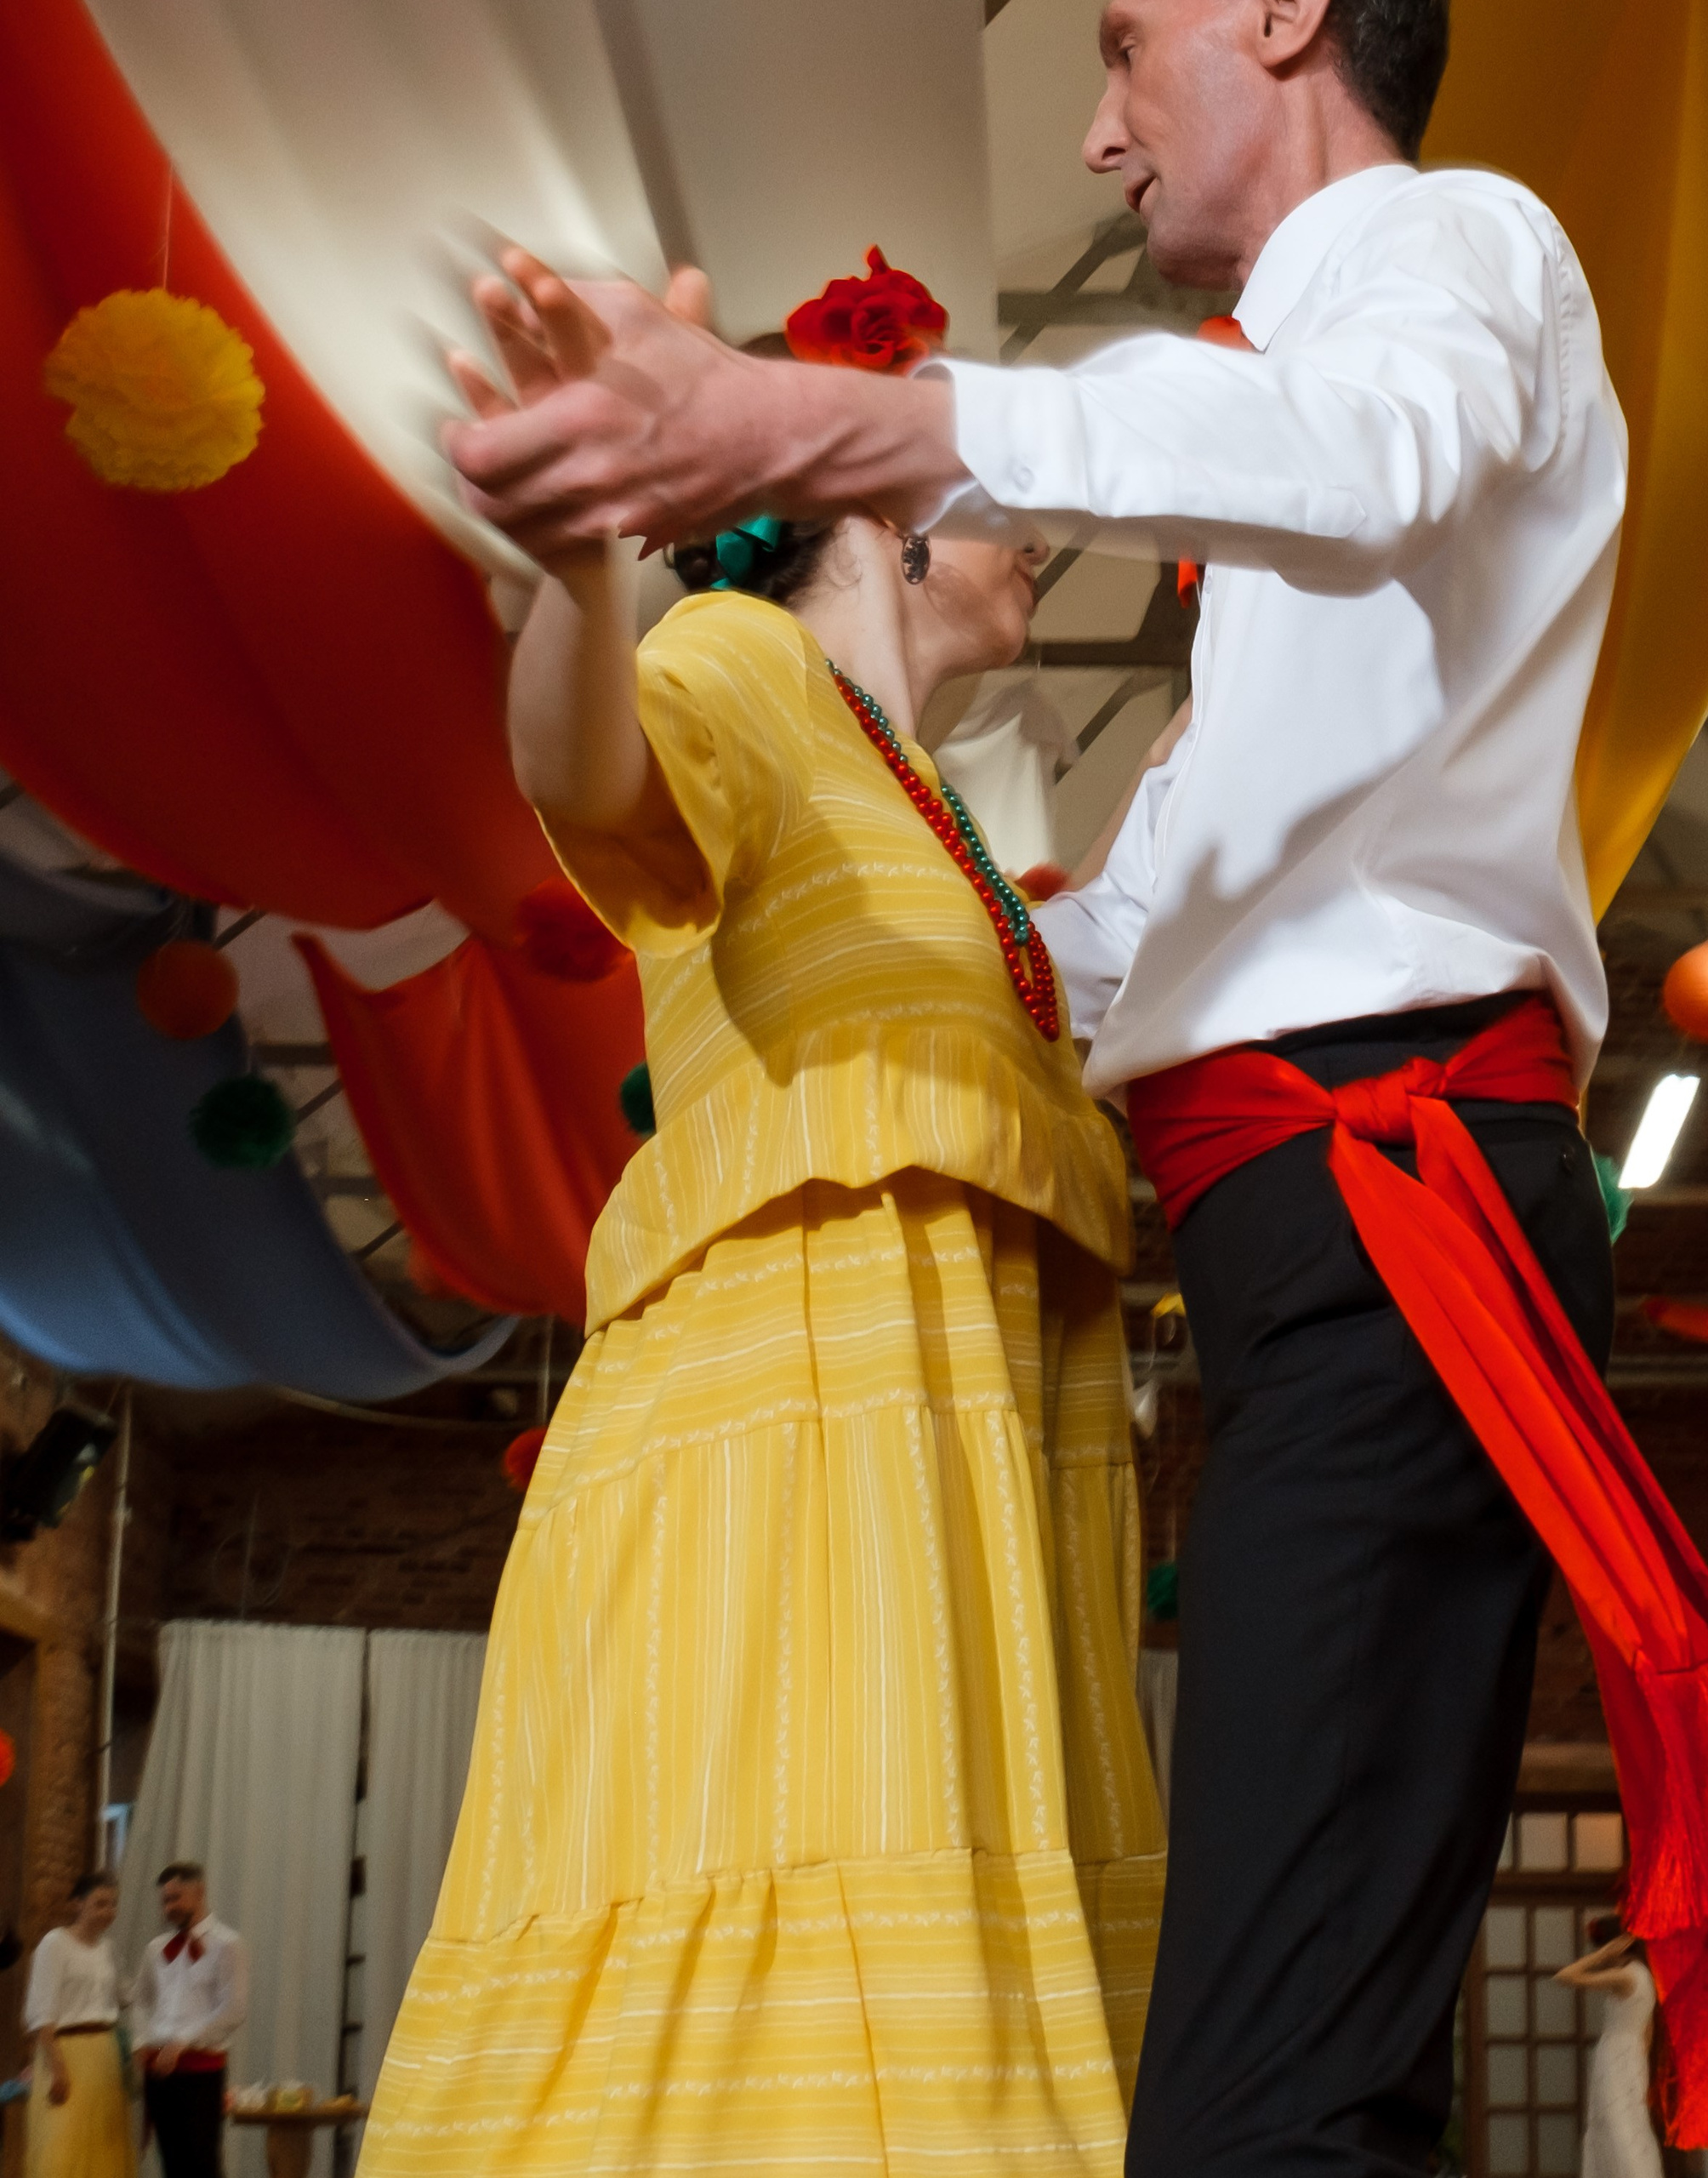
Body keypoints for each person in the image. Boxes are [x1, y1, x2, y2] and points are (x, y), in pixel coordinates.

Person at [436, 1, 1708, 2167]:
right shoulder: (1216, 576)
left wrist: (819, 418)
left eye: (1115, 44)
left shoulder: (1435, 250)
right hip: (1308, 1231)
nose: (1093, 133)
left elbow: (1354, 458)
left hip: (1384, 1182)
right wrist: (622, 559)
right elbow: (1104, 924)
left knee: (1264, 2092)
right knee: (1272, 2056)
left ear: (1276, 12)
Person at [359, 253, 1164, 2178]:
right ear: (872, 516)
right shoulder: (742, 668)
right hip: (798, 1428)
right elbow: (590, 770)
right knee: (781, 1954)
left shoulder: (943, 810)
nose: (1024, 534)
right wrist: (572, 569)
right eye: (975, 488)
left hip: (957, 1431)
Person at [129, 1862, 244, 2178]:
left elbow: (233, 2010)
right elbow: (139, 2000)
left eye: (176, 1898)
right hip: (159, 2069)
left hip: (201, 2069)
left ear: (200, 1892)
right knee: (171, 2161)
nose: (169, 1907)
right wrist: (140, 2040)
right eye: (165, 1900)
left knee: (202, 2161)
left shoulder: (227, 1944)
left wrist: (185, 2041)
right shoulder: (156, 1948)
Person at [24, 1870, 133, 2178]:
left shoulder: (109, 1949)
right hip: (67, 2053)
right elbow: (41, 2013)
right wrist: (57, 2068)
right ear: (77, 1904)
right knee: (63, 2145)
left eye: (112, 1904)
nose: (108, 1912)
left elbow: (126, 1995)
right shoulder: (54, 1944)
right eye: (99, 1903)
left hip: (105, 2055)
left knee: (103, 2145)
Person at [1557, 1916, 1663, 2178]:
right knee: (1631, 2127)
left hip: (1615, 2056)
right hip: (1633, 2057)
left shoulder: (1626, 1976)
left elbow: (1566, 1976)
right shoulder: (1646, 1976)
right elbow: (1648, 2032)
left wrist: (1602, 1956)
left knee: (1617, 2128)